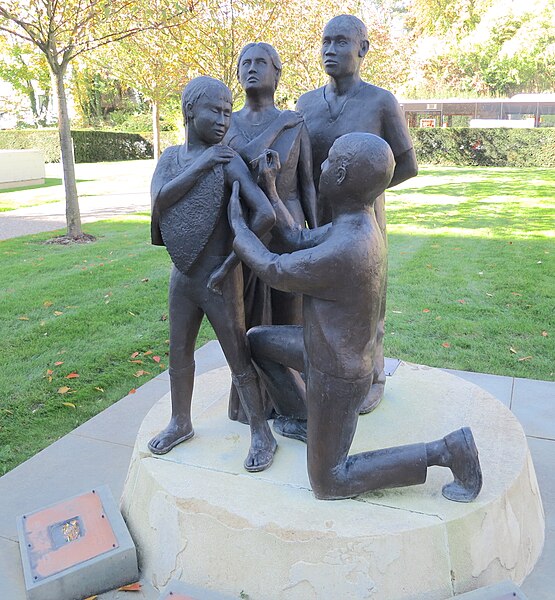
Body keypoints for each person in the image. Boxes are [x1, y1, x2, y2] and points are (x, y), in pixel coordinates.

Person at [228, 133, 482, 502]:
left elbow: (275, 268)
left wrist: (238, 231)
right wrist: (270, 188)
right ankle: (303, 417)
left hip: (339, 377)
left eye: (329, 162)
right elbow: (295, 239)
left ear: (342, 177)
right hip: (316, 350)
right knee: (258, 341)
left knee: (330, 481)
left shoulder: (348, 248)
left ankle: (446, 451)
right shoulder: (354, 223)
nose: (321, 167)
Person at [148, 76, 277, 472]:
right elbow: (159, 200)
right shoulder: (171, 158)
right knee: (179, 352)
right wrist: (202, 163)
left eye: (227, 111)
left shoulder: (228, 161)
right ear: (189, 111)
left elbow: (265, 214)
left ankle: (261, 431)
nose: (224, 119)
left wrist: (231, 263)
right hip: (182, 275)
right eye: (215, 111)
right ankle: (180, 421)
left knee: (237, 355)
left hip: (220, 278)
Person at [296, 14, 419, 413]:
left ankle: (372, 377)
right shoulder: (306, 103)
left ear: (362, 49)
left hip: (364, 222)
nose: (330, 50)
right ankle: (319, 371)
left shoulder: (380, 102)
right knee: (315, 301)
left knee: (366, 306)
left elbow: (407, 164)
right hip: (316, 220)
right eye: (325, 42)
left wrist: (363, 193)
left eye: (341, 42)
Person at [224, 42, 317, 422]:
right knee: (243, 316)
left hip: (288, 224)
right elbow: (242, 161)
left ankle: (292, 399)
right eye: (244, 62)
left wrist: (314, 230)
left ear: (277, 73)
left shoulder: (298, 124)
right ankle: (250, 404)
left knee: (288, 312)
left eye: (260, 62)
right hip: (245, 227)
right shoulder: (227, 122)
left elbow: (308, 182)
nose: (250, 68)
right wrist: (280, 124)